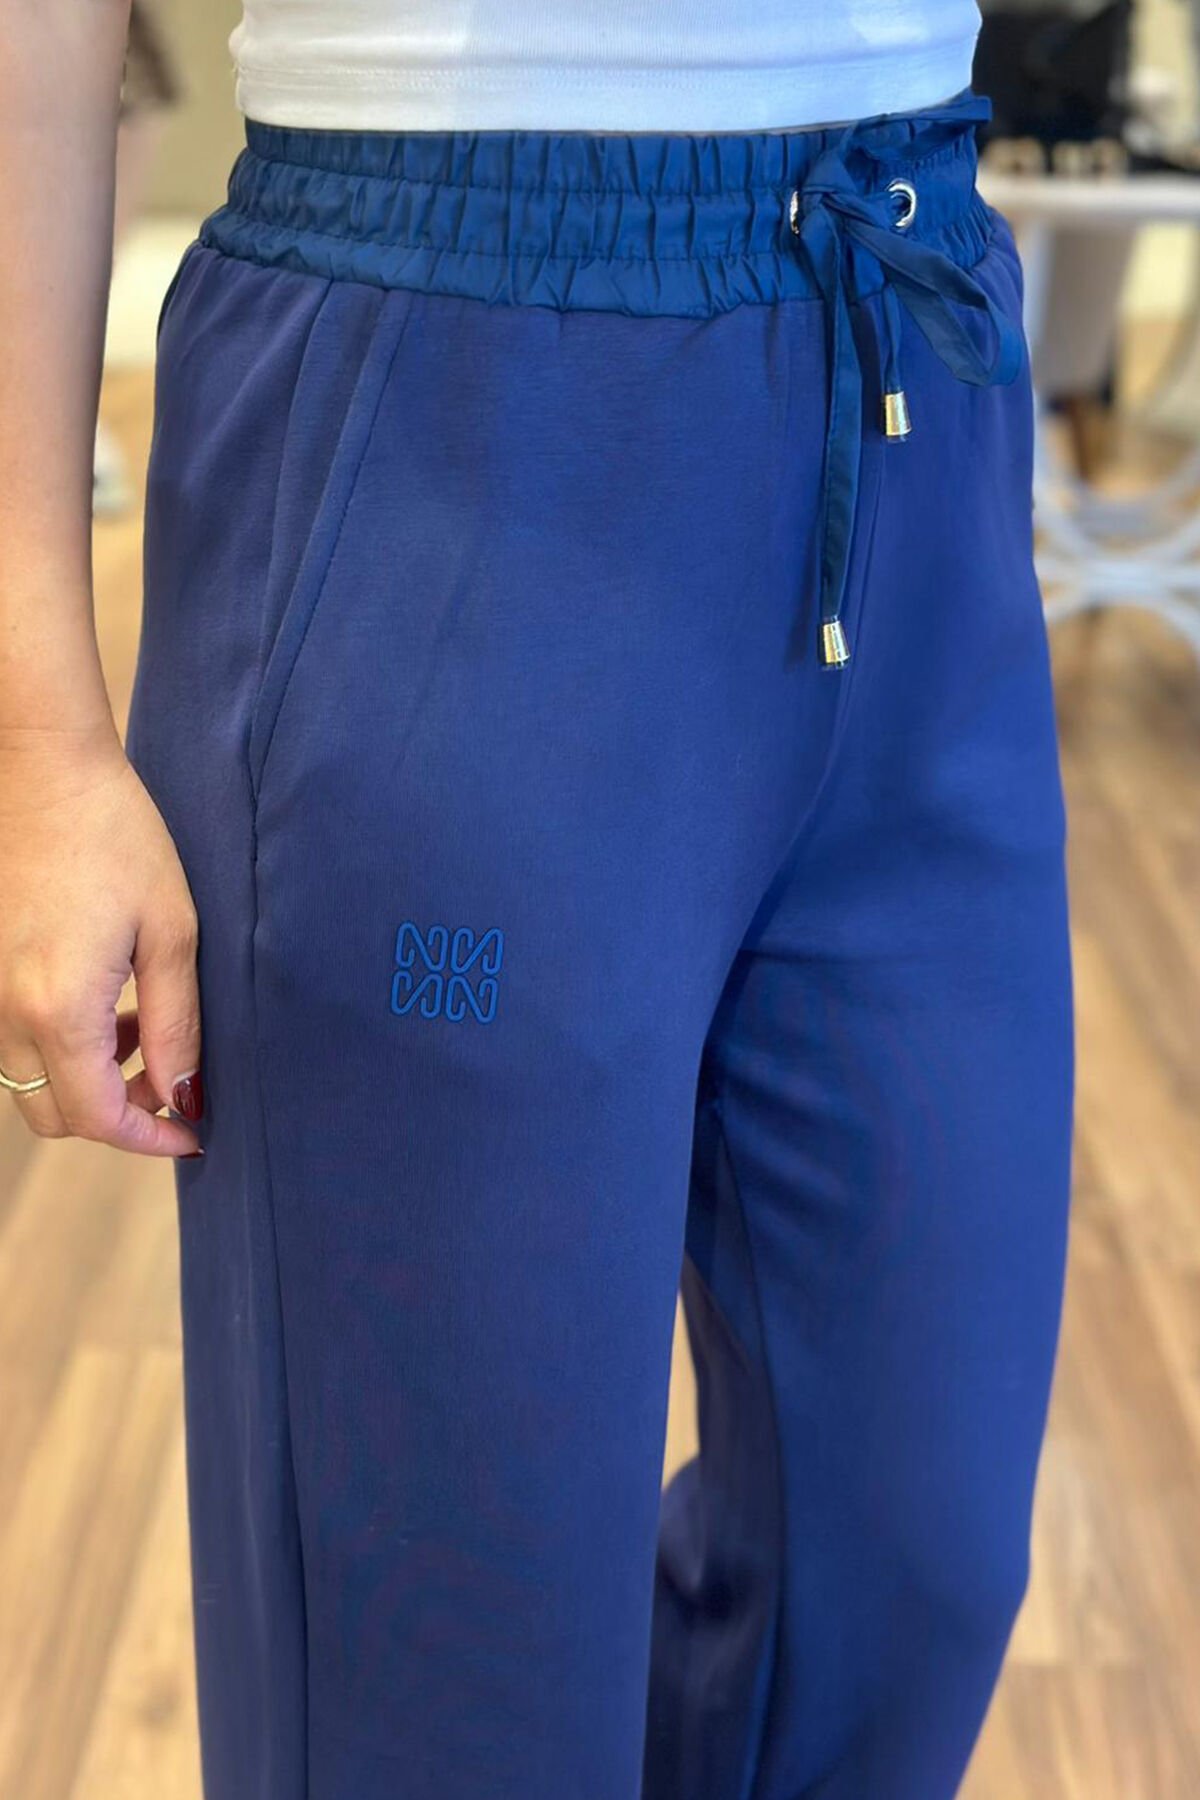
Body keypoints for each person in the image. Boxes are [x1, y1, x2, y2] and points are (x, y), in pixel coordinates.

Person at [0, 3, 1075, 1796]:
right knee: (444, 1673)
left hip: (914, 342)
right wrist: (35, 737)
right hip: (454, 380)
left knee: (903, 1579)